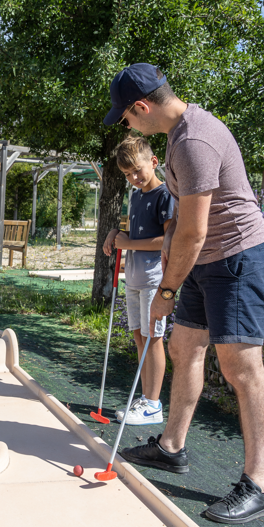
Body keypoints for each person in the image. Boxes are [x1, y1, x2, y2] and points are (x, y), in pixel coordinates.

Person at [103, 63, 264, 524]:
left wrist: (166, 290)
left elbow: (196, 231)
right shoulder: (176, 135)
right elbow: (183, 217)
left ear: (142, 106)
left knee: (241, 368)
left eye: (126, 116)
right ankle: (171, 447)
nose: (127, 124)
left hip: (237, 259)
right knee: (184, 348)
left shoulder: (194, 140)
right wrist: (168, 242)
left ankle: (259, 484)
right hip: (206, 260)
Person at [102, 134, 174, 425]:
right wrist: (114, 234)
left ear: (153, 162)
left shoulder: (165, 195)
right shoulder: (136, 195)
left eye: (137, 170)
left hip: (154, 279)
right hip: (133, 278)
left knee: (153, 339)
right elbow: (135, 232)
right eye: (127, 174)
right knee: (140, 338)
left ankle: (153, 404)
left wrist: (128, 243)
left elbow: (166, 240)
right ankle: (145, 399)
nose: (133, 178)